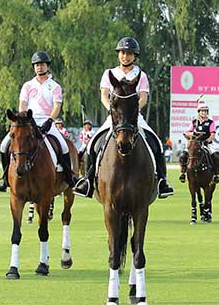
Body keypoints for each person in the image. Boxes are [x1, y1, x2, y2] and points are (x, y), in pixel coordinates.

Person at [73, 37, 174, 199]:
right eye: (122, 53)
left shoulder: (141, 75)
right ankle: (88, 180)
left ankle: (162, 181)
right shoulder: (109, 73)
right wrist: (112, 110)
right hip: (114, 117)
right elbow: (104, 96)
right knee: (92, 144)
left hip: (134, 117)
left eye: (128, 53)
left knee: (156, 144)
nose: (125, 56)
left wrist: (132, 111)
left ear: (135, 56)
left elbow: (143, 98)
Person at [0, 51, 75, 191]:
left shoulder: (55, 86)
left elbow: (57, 106)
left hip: (47, 121)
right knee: (4, 145)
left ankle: (69, 177)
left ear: (47, 66)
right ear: (34, 67)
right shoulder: (27, 85)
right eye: (37, 65)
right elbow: (23, 104)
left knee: (64, 146)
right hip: (27, 122)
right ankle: (4, 178)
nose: (39, 67)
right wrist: (22, 118)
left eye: (42, 64)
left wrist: (50, 120)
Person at [178, 101, 219, 184]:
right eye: (202, 111)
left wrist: (206, 141)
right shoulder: (194, 122)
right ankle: (183, 173)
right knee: (183, 156)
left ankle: (216, 175)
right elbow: (188, 133)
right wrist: (193, 134)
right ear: (199, 112)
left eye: (205, 111)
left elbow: (212, 135)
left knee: (217, 156)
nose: (204, 113)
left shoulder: (210, 122)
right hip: (195, 144)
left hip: (206, 143)